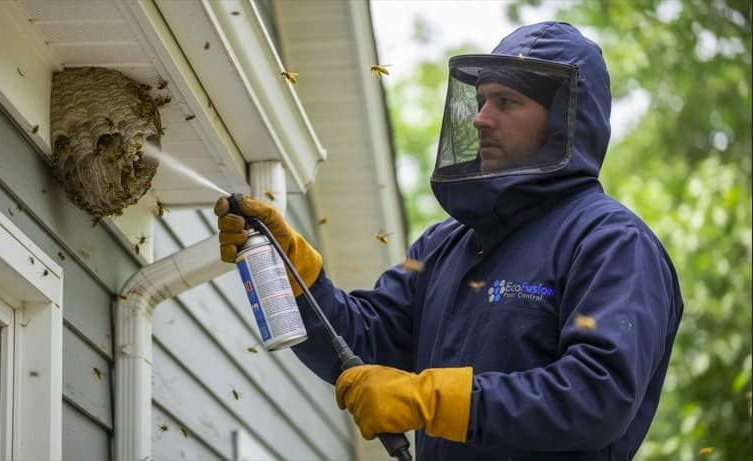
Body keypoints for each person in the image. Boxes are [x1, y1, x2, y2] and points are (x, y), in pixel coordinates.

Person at [216, 21, 683, 460]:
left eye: (506, 102)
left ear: (561, 120)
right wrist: (291, 267)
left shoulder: (612, 242)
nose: (481, 118)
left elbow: (597, 393)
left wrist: (430, 399)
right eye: (481, 100)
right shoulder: (446, 245)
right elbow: (361, 346)